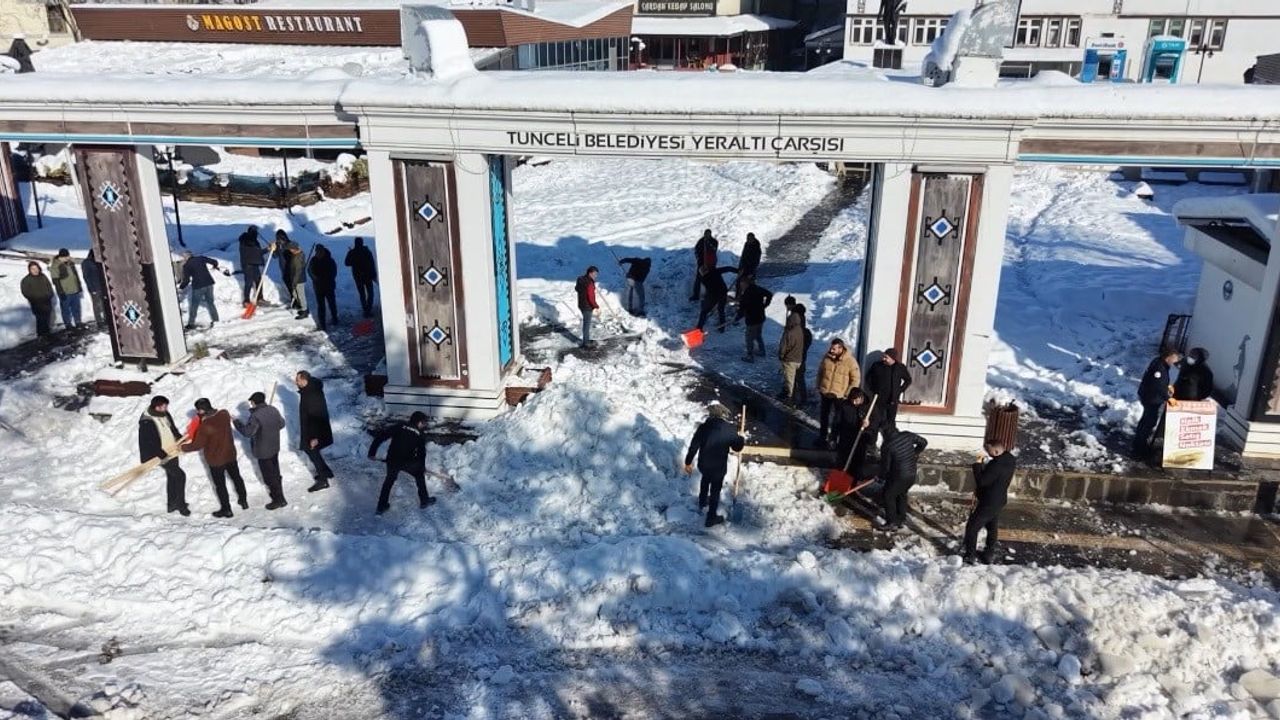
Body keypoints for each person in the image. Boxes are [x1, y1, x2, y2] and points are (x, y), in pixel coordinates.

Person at [181, 398, 248, 518]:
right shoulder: (224, 414)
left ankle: (226, 509)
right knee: (236, 477)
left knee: (220, 485)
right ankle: (243, 501)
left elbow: (197, 445)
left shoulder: (205, 426)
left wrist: (183, 448)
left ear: (201, 410)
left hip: (216, 460)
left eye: (198, 411)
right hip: (230, 454)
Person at [683, 404, 745, 528]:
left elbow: (694, 446)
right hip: (718, 466)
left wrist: (688, 462)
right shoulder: (729, 429)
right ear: (722, 415)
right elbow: (737, 447)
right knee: (715, 489)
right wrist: (741, 439)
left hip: (704, 464)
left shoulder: (703, 427)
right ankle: (711, 517)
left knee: (705, 479)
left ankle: (702, 502)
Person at [368, 411, 439, 515]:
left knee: (389, 480)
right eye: (423, 423)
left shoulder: (400, 426)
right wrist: (421, 467)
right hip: (408, 462)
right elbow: (421, 454)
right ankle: (424, 500)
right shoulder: (420, 435)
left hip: (392, 460)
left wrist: (372, 452)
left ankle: (381, 506)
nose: (424, 425)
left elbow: (381, 437)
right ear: (419, 422)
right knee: (419, 474)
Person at [963, 440, 1016, 564]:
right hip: (999, 499)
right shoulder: (1010, 458)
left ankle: (970, 555)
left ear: (996, 451)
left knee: (972, 527)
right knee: (992, 527)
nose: (987, 453)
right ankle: (989, 553)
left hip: (989, 502)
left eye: (989, 450)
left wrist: (977, 465)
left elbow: (982, 481)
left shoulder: (995, 465)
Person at [234, 391, 288, 510]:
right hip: (274, 447)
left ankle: (278, 500)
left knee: (269, 477)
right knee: (275, 473)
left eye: (251, 402)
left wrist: (236, 422)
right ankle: (280, 496)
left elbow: (248, 432)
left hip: (263, 451)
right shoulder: (273, 409)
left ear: (254, 402)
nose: (251, 404)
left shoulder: (256, 416)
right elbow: (282, 424)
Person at [138, 395, 189, 516]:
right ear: (156, 407)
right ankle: (181, 505)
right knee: (180, 475)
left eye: (166, 406)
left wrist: (179, 437)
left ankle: (172, 504)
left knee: (172, 477)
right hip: (160, 454)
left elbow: (172, 427)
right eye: (163, 406)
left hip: (172, 450)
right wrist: (160, 453)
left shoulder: (164, 413)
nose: (166, 408)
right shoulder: (146, 419)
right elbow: (148, 440)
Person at [1133, 347, 1180, 459]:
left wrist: (1166, 386)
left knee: (1145, 420)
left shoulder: (1159, 362)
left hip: (1149, 396)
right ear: (1168, 357)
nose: (1176, 361)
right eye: (1175, 358)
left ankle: (1138, 443)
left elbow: (1159, 382)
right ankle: (1139, 447)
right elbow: (1157, 385)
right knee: (1149, 422)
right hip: (1151, 399)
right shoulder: (1160, 367)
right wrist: (1168, 397)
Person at [878, 427, 928, 531]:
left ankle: (891, 522)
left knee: (888, 495)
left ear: (884, 434)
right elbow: (923, 442)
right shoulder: (907, 435)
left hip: (899, 476)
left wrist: (880, 477)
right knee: (901, 494)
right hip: (911, 473)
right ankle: (901, 519)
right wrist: (916, 452)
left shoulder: (887, 446)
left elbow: (886, 467)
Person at [816, 339, 861, 446]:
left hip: (840, 395)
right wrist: (819, 386)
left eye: (834, 349)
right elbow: (820, 372)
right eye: (831, 348)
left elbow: (855, 379)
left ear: (841, 348)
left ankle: (833, 438)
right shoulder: (826, 358)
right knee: (824, 416)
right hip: (826, 392)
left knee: (837, 418)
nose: (831, 350)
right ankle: (822, 436)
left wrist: (848, 393)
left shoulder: (850, 361)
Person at [296, 370, 334, 491]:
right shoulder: (310, 389)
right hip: (313, 429)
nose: (295, 382)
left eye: (297, 380)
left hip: (314, 431)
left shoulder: (311, 394)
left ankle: (323, 481)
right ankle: (326, 471)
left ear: (304, 380)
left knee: (312, 451)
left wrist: (315, 437)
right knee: (313, 452)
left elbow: (315, 416)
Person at [833, 388, 883, 481]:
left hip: (861, 439)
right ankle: (840, 481)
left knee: (857, 463)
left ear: (861, 398)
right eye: (852, 400)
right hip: (846, 438)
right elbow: (837, 422)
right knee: (842, 461)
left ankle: (854, 481)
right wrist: (833, 436)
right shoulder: (845, 405)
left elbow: (877, 422)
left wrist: (868, 424)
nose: (854, 403)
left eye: (856, 400)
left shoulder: (870, 407)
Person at [865, 348, 912, 442]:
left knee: (890, 423)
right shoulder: (877, 366)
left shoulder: (899, 367)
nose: (884, 359)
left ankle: (891, 442)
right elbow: (868, 378)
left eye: (886, 357)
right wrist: (873, 391)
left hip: (892, 401)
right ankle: (872, 444)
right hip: (878, 400)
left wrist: (900, 390)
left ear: (892, 358)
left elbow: (908, 380)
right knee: (875, 421)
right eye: (884, 356)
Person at [178, 250, 220, 330]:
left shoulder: (186, 266)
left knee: (194, 305)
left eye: (183, 257)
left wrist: (181, 288)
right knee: (210, 302)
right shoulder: (201, 258)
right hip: (209, 283)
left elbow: (187, 280)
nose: (183, 259)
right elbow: (214, 261)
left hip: (198, 286)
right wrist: (215, 265)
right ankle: (216, 320)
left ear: (186, 257)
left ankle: (191, 323)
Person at [735, 274, 772, 362]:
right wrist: (764, 305)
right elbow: (769, 294)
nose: (741, 286)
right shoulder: (757, 289)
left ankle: (749, 356)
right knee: (758, 335)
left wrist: (737, 318)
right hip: (760, 317)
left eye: (741, 284)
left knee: (749, 338)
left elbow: (742, 309)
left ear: (745, 283)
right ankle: (762, 350)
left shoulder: (746, 295)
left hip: (752, 320)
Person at [695, 265, 738, 332]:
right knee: (721, 310)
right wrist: (738, 271)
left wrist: (705, 301)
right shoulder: (715, 271)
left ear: (702, 273)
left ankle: (699, 328)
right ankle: (722, 328)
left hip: (712, 296)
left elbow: (706, 292)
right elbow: (728, 268)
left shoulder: (703, 279)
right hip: (722, 293)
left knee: (704, 311)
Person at [49, 249, 84, 329]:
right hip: (65, 291)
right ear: (61, 257)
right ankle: (68, 324)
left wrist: (79, 286)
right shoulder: (55, 265)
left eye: (68, 256)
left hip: (74, 289)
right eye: (66, 256)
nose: (68, 258)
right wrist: (61, 292)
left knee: (76, 307)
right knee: (65, 309)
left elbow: (76, 276)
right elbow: (55, 280)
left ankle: (78, 321)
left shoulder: (71, 263)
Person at [19, 261, 55, 338]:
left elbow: (49, 287)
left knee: (47, 318)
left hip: (46, 301)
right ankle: (41, 335)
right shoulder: (26, 280)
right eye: (32, 269)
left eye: (36, 268)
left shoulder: (43, 276)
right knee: (40, 320)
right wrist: (35, 298)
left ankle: (47, 334)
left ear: (39, 268)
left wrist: (49, 295)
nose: (35, 270)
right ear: (29, 270)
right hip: (37, 304)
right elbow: (25, 292)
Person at [308, 244, 339, 330]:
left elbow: (334, 271)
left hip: (329, 286)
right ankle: (322, 324)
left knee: (332, 303)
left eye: (320, 251)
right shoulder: (313, 260)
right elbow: (309, 271)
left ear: (323, 251)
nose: (319, 253)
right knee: (321, 306)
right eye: (317, 251)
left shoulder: (330, 260)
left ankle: (335, 319)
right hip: (318, 287)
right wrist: (315, 278)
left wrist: (328, 279)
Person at [344, 237, 377, 318]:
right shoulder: (366, 251)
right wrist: (373, 275)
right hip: (367, 276)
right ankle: (367, 310)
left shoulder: (352, 252)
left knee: (363, 294)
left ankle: (366, 310)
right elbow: (372, 264)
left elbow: (347, 263)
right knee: (370, 294)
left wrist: (353, 259)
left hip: (358, 277)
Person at [778, 308, 806, 403]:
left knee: (789, 380)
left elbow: (783, 347)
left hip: (789, 360)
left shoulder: (789, 333)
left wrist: (781, 356)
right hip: (799, 359)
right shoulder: (801, 331)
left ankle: (790, 398)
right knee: (796, 379)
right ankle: (797, 396)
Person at [238, 225, 266, 307]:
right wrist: (267, 249)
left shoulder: (254, 241)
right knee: (249, 282)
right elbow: (256, 251)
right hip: (247, 264)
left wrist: (268, 248)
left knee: (259, 281)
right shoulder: (245, 240)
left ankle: (260, 298)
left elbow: (259, 252)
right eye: (255, 232)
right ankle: (246, 301)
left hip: (255, 264)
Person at [81, 250, 107, 329]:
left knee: (104, 303)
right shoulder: (86, 263)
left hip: (101, 286)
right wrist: (91, 288)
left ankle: (106, 318)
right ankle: (99, 321)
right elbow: (86, 277)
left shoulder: (97, 261)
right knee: (96, 305)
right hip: (94, 287)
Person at [574, 266, 600, 348]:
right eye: (595, 274)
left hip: (581, 304)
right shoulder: (590, 283)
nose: (596, 276)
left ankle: (586, 339)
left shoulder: (580, 279)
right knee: (587, 324)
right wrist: (595, 305)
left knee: (586, 323)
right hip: (587, 306)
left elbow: (577, 288)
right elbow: (590, 297)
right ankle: (586, 342)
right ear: (590, 273)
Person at [690, 229, 718, 302]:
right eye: (706, 234)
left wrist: (708, 244)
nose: (707, 235)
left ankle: (708, 295)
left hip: (710, 264)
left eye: (708, 234)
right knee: (698, 279)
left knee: (709, 280)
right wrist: (698, 258)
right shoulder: (701, 241)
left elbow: (714, 249)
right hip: (702, 263)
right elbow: (696, 249)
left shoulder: (714, 241)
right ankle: (696, 295)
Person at [284, 240, 309, 320]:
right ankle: (303, 307)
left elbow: (298, 271)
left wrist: (295, 281)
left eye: (290, 249)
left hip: (299, 279)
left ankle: (304, 311)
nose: (290, 250)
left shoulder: (298, 257)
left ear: (294, 248)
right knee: (295, 294)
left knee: (301, 295)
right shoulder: (295, 255)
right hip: (295, 279)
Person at [795, 304, 813, 406]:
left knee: (795, 379)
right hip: (801, 358)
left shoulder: (798, 332)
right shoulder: (807, 333)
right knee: (800, 378)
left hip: (796, 358)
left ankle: (796, 398)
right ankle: (802, 398)